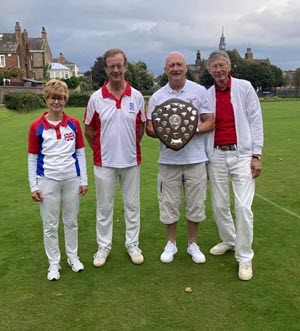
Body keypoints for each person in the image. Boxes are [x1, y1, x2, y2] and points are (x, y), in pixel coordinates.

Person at [146, 52, 214, 264]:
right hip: (169, 161)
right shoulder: (157, 96)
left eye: (179, 65)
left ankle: (193, 243)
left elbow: (210, 121)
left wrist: (188, 131)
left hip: (195, 159)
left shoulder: (199, 91)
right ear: (165, 69)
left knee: (195, 204)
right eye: (171, 65)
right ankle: (171, 243)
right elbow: (149, 127)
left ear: (186, 68)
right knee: (169, 204)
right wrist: (169, 132)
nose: (175, 68)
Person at [84, 48, 146, 267]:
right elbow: (89, 131)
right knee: (104, 207)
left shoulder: (137, 96)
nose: (116, 70)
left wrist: (127, 146)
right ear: (106, 69)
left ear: (125, 67)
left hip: (130, 161)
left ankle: (132, 244)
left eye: (120, 65)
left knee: (132, 206)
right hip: (104, 163)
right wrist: (102, 150)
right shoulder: (96, 99)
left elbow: (140, 127)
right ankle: (103, 247)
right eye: (112, 66)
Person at [206, 50, 264, 281]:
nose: (219, 70)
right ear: (210, 71)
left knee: (242, 207)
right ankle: (230, 240)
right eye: (214, 67)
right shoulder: (207, 94)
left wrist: (256, 155)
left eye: (222, 66)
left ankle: (244, 256)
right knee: (219, 205)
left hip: (242, 155)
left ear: (229, 67)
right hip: (216, 155)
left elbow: (255, 120)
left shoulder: (245, 87)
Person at [28, 79, 88, 281]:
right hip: (48, 180)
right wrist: (33, 186)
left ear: (65, 100)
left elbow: (80, 153)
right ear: (46, 99)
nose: (57, 102)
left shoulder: (73, 124)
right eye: (53, 98)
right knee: (50, 225)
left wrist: (83, 180)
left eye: (61, 98)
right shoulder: (37, 126)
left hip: (71, 178)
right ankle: (54, 263)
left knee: (71, 222)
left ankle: (73, 257)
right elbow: (32, 157)